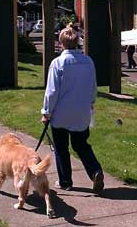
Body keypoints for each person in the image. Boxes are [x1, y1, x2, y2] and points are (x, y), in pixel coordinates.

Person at [40, 26, 104, 193]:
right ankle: (95, 171)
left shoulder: (58, 63)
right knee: (81, 145)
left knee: (61, 148)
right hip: (81, 112)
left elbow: (52, 91)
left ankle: (65, 181)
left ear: (61, 43)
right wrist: (91, 102)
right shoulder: (88, 61)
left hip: (61, 113)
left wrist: (46, 112)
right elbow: (93, 86)